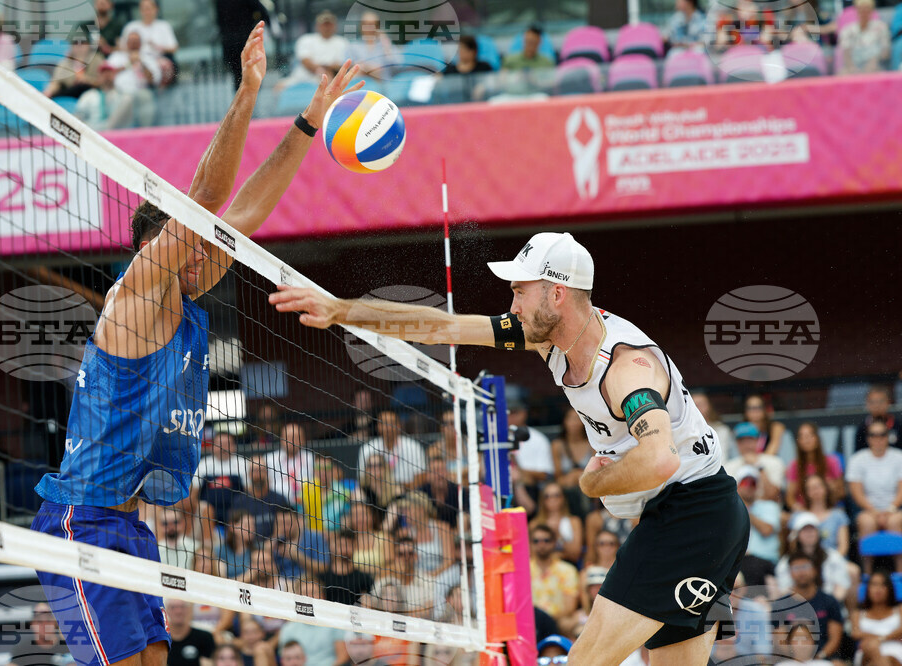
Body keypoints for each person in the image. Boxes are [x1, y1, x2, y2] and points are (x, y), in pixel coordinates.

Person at [29, 27, 364, 665]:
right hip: (83, 520)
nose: (212, 259)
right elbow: (209, 200)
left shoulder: (183, 290)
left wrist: (306, 122)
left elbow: (249, 210)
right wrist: (247, 91)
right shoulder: (141, 295)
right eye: (200, 247)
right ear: (164, 249)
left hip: (127, 522)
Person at [270, 230, 750, 665]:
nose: (513, 303)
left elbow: (659, 457)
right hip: (703, 516)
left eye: (520, 290)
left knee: (582, 662)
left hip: (693, 514)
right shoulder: (549, 338)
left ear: (556, 293)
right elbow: (442, 327)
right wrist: (340, 310)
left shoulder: (627, 368)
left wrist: (591, 481)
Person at [848, 420, 902, 572]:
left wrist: (890, 510)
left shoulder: (899, 457)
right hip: (867, 510)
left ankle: (900, 574)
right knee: (866, 523)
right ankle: (867, 574)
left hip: (894, 509)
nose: (878, 438)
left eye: (882, 434)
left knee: (896, 522)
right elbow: (856, 493)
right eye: (873, 435)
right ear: (868, 438)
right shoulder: (857, 459)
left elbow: (901, 490)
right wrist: (875, 512)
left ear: (888, 437)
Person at [773, 553, 843, 663]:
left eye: (805, 567)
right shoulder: (780, 605)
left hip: (823, 656)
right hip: (791, 658)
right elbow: (780, 640)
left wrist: (819, 657)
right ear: (790, 573)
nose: (801, 572)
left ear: (815, 570)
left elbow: (835, 638)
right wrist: (799, 659)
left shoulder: (829, 601)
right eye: (796, 568)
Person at [775, 512, 853, 604]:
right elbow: (784, 589)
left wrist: (829, 606)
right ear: (798, 535)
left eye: (812, 529)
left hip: (828, 606)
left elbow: (841, 586)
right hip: (798, 608)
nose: (809, 533)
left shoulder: (833, 557)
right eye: (805, 530)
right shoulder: (786, 562)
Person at [277, 581, 347, 666]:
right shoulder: (288, 629)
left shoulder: (334, 623)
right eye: (305, 593)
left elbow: (342, 657)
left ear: (322, 596)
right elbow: (285, 661)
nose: (309, 597)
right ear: (297, 598)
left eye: (313, 593)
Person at [529, 524, 580, 637]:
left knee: (571, 624)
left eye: (546, 540)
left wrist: (547, 619)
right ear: (530, 544)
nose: (541, 545)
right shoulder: (523, 570)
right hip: (530, 621)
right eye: (536, 541)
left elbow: (569, 607)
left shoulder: (568, 570)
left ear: (554, 543)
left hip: (558, 621)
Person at [356, 410, 427, 488]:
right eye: (384, 423)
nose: (388, 427)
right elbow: (362, 478)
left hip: (407, 494)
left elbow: (422, 476)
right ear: (378, 426)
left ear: (399, 426)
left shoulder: (413, 447)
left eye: (392, 423)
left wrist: (401, 489)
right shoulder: (367, 449)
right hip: (376, 494)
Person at [735, 466, 781, 586]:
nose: (749, 487)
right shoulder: (730, 510)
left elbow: (766, 530)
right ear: (738, 486)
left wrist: (743, 509)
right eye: (745, 483)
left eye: (753, 483)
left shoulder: (769, 506)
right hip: (740, 563)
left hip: (764, 563)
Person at [786, 422, 844, 511]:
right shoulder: (795, 465)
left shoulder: (832, 461)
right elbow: (790, 497)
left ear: (817, 438)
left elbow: (841, 491)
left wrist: (832, 490)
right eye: (802, 436)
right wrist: (801, 510)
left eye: (810, 435)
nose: (806, 440)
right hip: (804, 512)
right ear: (798, 441)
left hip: (828, 509)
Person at [282, 12, 349, 87]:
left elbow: (341, 65)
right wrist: (322, 69)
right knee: (280, 87)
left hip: (330, 79)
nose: (327, 27)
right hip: (301, 78)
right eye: (324, 25)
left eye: (329, 25)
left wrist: (324, 72)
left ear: (335, 26)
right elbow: (305, 61)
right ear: (317, 26)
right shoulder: (306, 39)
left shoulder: (342, 42)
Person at [850, 570, 902, 666]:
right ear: (868, 588)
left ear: (889, 589)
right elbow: (855, 633)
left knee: (883, 659)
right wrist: (885, 638)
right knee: (871, 646)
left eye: (883, 585)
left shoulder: (899, 609)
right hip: (867, 651)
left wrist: (877, 639)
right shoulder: (858, 613)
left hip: (895, 650)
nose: (878, 589)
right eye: (874, 584)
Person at [724, 422, 785, 503]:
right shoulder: (728, 466)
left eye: (750, 440)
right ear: (737, 444)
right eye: (742, 441)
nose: (746, 445)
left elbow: (773, 495)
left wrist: (758, 466)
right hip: (739, 509)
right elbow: (728, 500)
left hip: (767, 509)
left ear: (757, 440)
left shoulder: (774, 462)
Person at [122, 0, 179, 84]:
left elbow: (174, 47)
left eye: (149, 8)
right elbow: (122, 46)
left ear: (156, 9)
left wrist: (159, 47)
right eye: (143, 9)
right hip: (136, 59)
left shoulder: (164, 26)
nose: (146, 12)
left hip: (158, 59)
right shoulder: (131, 27)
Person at [793, 475, 851, 557]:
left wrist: (831, 561)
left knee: (853, 570)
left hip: (834, 560)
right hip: (806, 561)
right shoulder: (798, 516)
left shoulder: (838, 515)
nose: (816, 491)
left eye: (818, 486)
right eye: (811, 488)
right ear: (806, 492)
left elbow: (843, 547)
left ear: (826, 489)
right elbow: (794, 546)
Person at [530, 481, 584, 564]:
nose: (552, 499)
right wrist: (560, 554)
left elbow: (576, 554)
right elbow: (532, 555)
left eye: (556, 495)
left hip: (568, 565)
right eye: (547, 496)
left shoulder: (574, 521)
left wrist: (557, 534)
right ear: (542, 500)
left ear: (563, 498)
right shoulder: (534, 524)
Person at [74, 60, 138, 130]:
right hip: (93, 132)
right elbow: (79, 116)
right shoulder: (88, 96)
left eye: (109, 73)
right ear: (98, 77)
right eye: (103, 73)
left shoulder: (123, 96)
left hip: (116, 133)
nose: (106, 75)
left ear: (114, 75)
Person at [265, 422, 316, 504]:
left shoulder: (311, 458)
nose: (292, 441)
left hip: (306, 504)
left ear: (303, 440)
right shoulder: (269, 459)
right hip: (278, 506)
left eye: (296, 437)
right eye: (288, 437)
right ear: (281, 439)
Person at [320, 529, 374, 606]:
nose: (344, 549)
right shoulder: (322, 577)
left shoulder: (364, 579)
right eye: (340, 545)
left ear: (355, 547)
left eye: (348, 545)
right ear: (333, 547)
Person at [509, 397, 554, 486]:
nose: (509, 416)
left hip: (530, 487)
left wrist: (519, 471)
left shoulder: (538, 439)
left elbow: (545, 474)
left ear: (524, 413)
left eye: (514, 412)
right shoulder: (495, 438)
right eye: (507, 413)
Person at [839, 0, 890, 74]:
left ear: (871, 10)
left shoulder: (881, 27)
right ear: (856, 10)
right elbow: (845, 52)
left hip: (875, 65)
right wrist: (851, 67)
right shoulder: (847, 30)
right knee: (843, 74)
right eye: (861, 8)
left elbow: (886, 52)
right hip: (853, 65)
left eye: (867, 8)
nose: (864, 11)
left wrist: (874, 62)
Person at [346, 12, 398, 81]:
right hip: (360, 82)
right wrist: (368, 68)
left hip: (382, 83)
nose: (369, 28)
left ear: (377, 27)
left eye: (372, 24)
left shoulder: (385, 44)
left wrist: (386, 44)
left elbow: (396, 66)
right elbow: (347, 67)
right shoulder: (353, 46)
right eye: (366, 24)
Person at [166, 599, 216, 666]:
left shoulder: (205, 637)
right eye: (173, 607)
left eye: (182, 607)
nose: (178, 611)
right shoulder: (161, 640)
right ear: (166, 611)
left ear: (189, 610)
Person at [690, 392, 735, 462]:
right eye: (695, 405)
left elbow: (732, 457)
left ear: (709, 406)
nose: (698, 409)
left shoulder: (722, 430)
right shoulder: (684, 430)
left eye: (701, 405)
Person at [855, 386, 900, 452]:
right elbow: (859, 453)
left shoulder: (899, 425)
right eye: (872, 402)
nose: (877, 405)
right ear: (867, 404)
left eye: (880, 401)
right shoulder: (862, 428)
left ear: (889, 402)